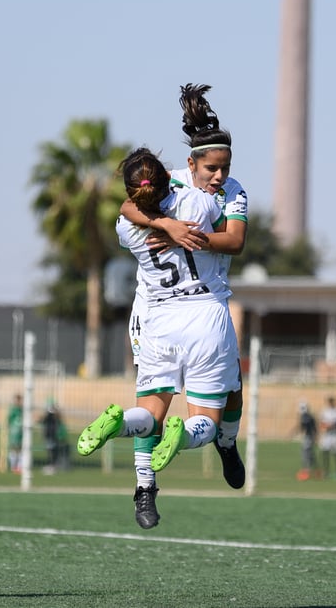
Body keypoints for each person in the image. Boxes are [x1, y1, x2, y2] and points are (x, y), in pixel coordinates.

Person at [77, 148, 241, 529]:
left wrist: (161, 222)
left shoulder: (127, 226)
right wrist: (178, 225)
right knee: (205, 422)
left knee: (150, 414)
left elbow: (130, 208)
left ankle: (118, 428)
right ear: (173, 178)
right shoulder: (198, 203)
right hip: (204, 317)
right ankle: (182, 437)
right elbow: (227, 233)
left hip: (159, 321)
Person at [121, 84, 248, 491]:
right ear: (191, 164)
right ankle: (145, 486)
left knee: (232, 393)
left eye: (225, 167)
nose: (220, 176)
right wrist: (165, 224)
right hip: (159, 307)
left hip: (198, 306)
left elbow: (236, 241)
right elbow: (128, 205)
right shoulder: (168, 183)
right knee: (157, 405)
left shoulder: (232, 191)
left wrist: (177, 234)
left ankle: (225, 444)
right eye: (212, 168)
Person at [319, 395, 336, 478]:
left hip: (335, 435)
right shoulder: (325, 411)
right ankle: (326, 471)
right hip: (327, 435)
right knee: (325, 452)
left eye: (333, 401)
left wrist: (334, 426)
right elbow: (322, 424)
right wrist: (327, 426)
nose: (332, 403)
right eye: (330, 401)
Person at [293, 400, 318, 480]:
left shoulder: (306, 417)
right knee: (310, 454)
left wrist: (294, 432)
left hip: (308, 437)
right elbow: (314, 428)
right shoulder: (310, 416)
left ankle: (306, 470)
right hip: (309, 437)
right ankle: (315, 469)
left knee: (305, 454)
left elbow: (302, 427)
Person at [7, 393, 23, 473]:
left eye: (19, 400)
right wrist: (10, 429)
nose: (18, 402)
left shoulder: (22, 410)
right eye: (17, 400)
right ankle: (13, 466)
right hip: (14, 431)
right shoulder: (13, 410)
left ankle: (19, 467)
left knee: (21, 449)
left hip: (21, 432)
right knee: (14, 448)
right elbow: (9, 421)